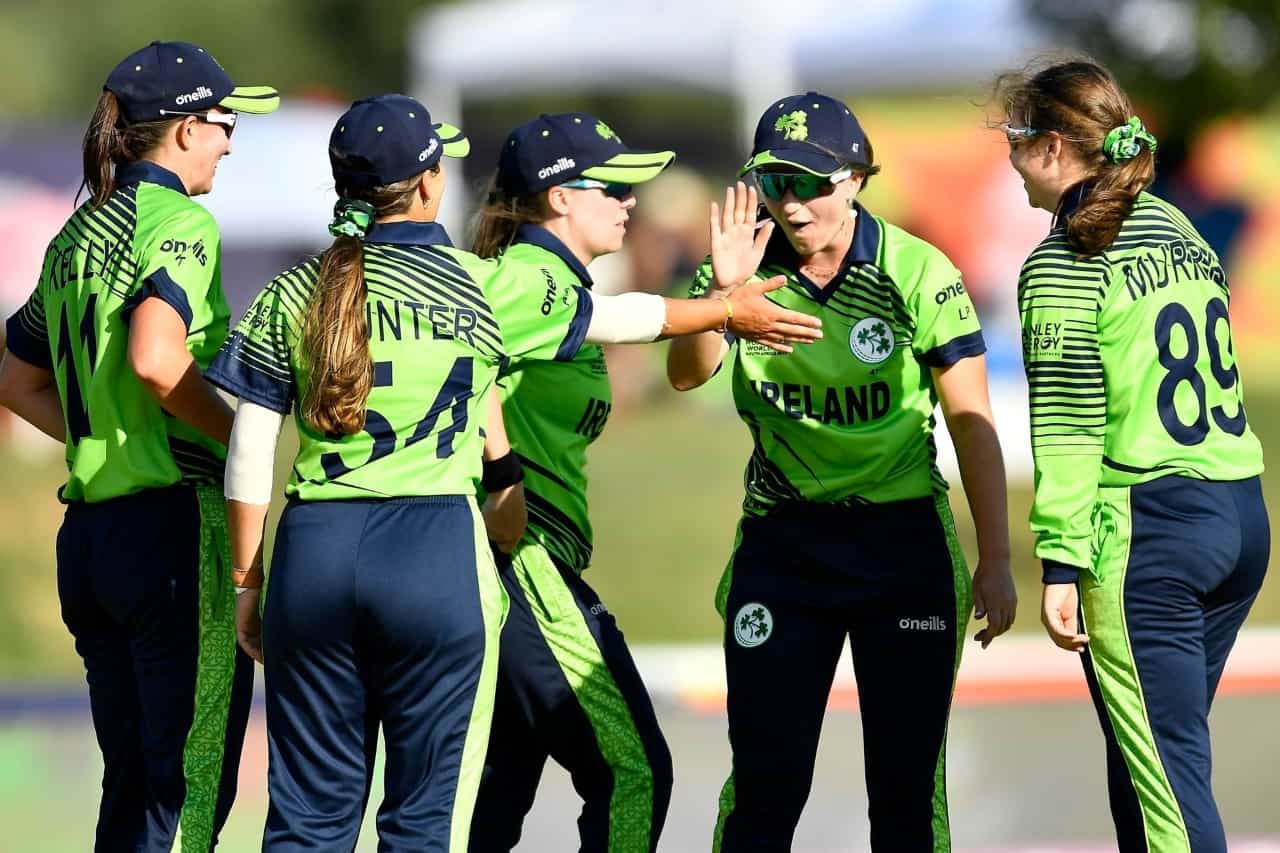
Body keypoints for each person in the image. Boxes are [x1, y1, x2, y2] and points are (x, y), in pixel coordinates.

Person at [204, 94, 821, 851]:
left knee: (309, 822)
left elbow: (248, 446)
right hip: (436, 549)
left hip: (314, 549)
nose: (626, 199)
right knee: (434, 820)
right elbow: (621, 319)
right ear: (429, 182)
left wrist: (247, 579)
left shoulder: (295, 289)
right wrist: (724, 309)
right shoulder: (480, 282)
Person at [666, 91, 1016, 852]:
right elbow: (686, 376)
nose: (791, 205)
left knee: (904, 790)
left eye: (812, 182)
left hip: (903, 550)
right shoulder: (741, 268)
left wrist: (996, 558)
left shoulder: (918, 271)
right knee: (768, 779)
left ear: (856, 177)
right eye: (775, 182)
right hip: (783, 548)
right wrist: (723, 301)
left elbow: (972, 423)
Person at [0, 41, 278, 851]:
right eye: (226, 124)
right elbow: (157, 359)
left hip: (89, 541)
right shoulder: (181, 221)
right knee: (188, 788)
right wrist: (235, 436)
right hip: (172, 536)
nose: (231, 141)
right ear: (186, 130)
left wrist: (101, 436)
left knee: (132, 788)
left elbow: (15, 383)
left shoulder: (76, 234)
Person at [994, 58, 1268, 853]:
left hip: (1153, 534)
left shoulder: (1063, 260)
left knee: (1168, 785)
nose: (1009, 157)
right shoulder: (1173, 223)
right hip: (1238, 514)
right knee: (1147, 756)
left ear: (1052, 148)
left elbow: (1070, 423)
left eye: (1015, 138)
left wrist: (1058, 559)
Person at [465, 112, 690, 853]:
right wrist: (498, 472)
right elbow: (460, 349)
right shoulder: (529, 276)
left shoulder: (554, 282)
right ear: (560, 197)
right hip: (519, 558)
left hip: (525, 559)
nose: (631, 202)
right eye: (615, 186)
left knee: (491, 800)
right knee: (634, 769)